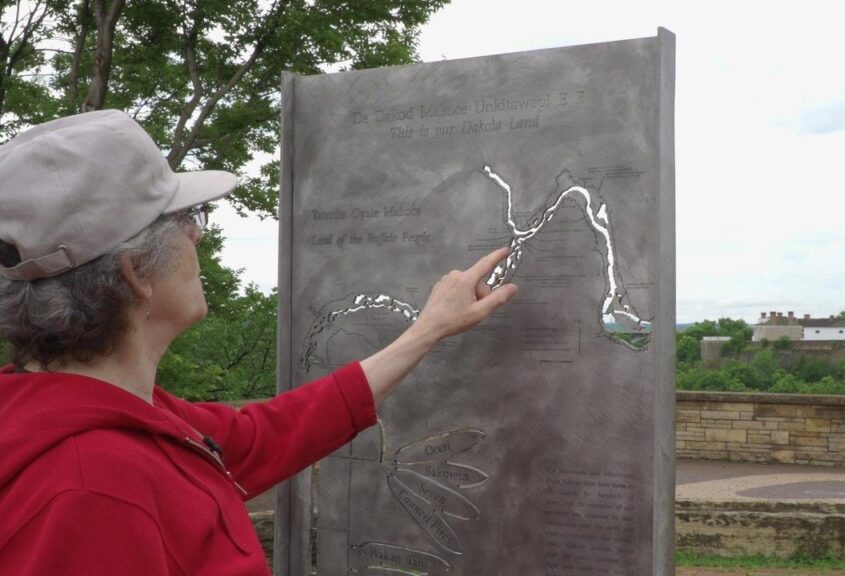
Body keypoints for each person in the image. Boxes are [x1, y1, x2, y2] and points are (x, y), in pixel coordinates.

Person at [0, 110, 517, 575]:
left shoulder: (105, 413)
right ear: (137, 273)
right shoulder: (93, 493)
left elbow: (264, 434)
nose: (197, 236)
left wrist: (426, 331)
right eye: (186, 220)